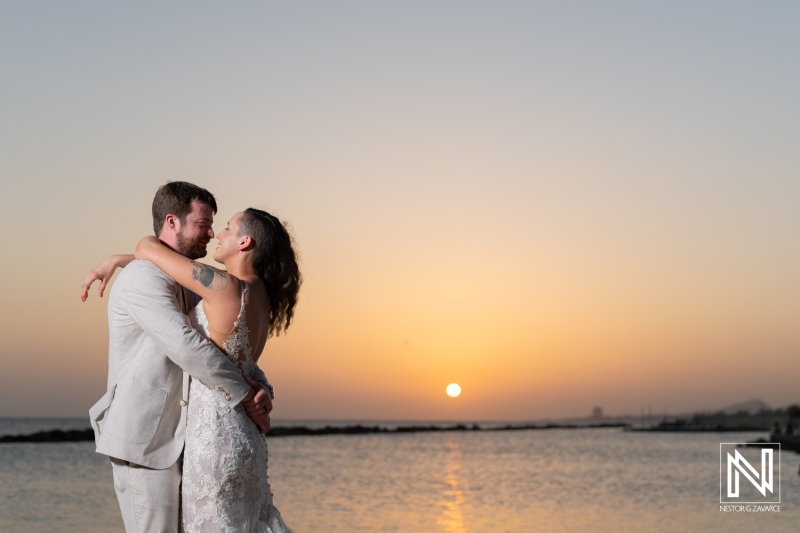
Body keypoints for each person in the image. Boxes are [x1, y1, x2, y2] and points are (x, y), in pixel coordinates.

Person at [82, 182, 280, 533]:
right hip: (147, 440)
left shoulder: (195, 281)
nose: (211, 233)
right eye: (203, 223)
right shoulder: (143, 278)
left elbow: (227, 344)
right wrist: (246, 395)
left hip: (191, 438)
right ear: (172, 222)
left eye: (217, 225)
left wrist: (261, 384)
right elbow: (188, 344)